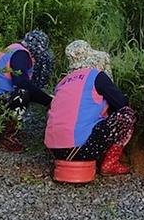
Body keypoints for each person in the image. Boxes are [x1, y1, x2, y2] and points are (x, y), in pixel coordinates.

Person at [44, 40, 136, 175]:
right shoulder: (96, 76)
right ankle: (110, 163)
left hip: (55, 151)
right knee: (126, 115)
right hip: (80, 150)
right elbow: (121, 103)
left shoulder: (62, 82)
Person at [0, 30, 55, 152]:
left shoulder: (12, 49)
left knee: (18, 92)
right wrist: (49, 101)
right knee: (22, 94)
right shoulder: (21, 55)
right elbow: (22, 83)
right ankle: (8, 137)